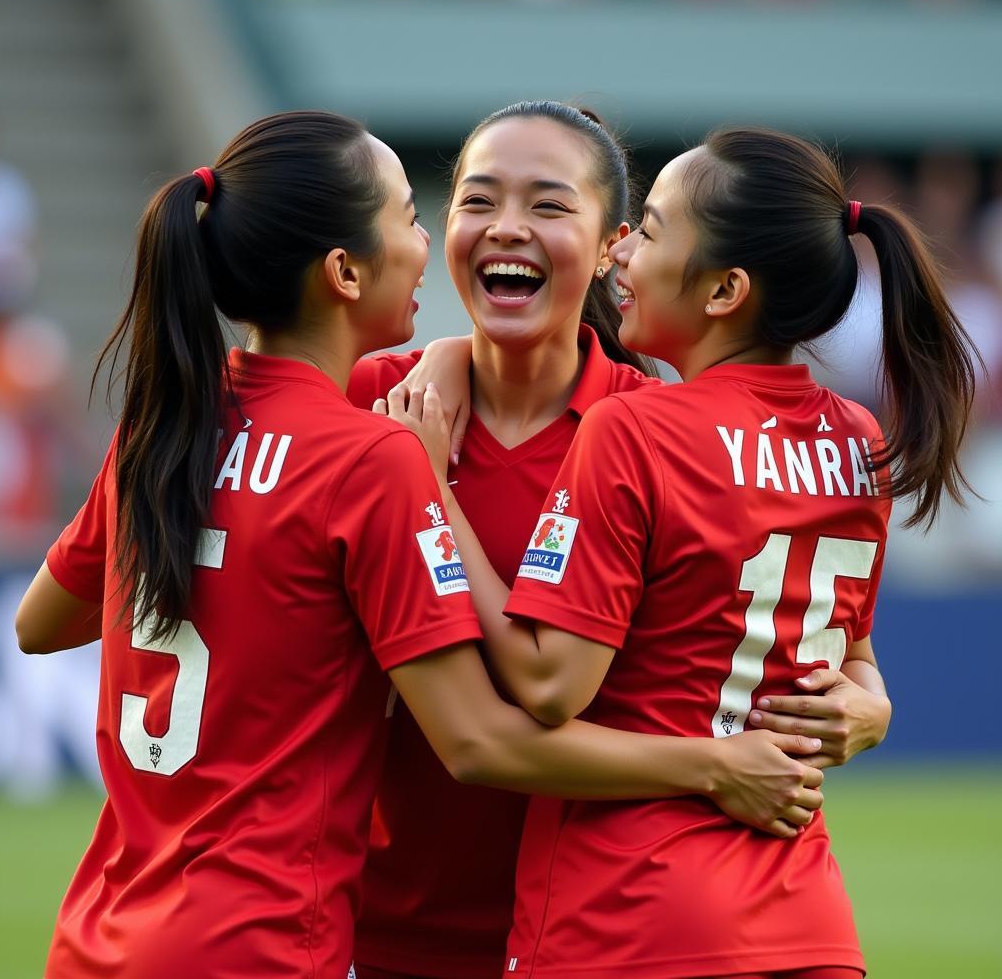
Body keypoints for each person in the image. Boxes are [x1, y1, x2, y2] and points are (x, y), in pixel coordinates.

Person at [13, 111, 825, 979]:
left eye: (548, 205)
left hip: (552, 934)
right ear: (347, 270)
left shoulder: (186, 417)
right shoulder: (372, 428)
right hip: (343, 935)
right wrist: (711, 767)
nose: (498, 225)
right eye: (464, 201)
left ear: (610, 248)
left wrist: (864, 691)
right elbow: (480, 739)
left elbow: (46, 621)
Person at [393, 126, 976, 979]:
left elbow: (549, 683)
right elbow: (849, 658)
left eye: (654, 231)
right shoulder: (854, 439)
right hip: (806, 916)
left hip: (634, 917)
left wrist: (429, 492)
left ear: (725, 290)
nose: (625, 256)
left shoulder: (638, 427)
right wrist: (873, 703)